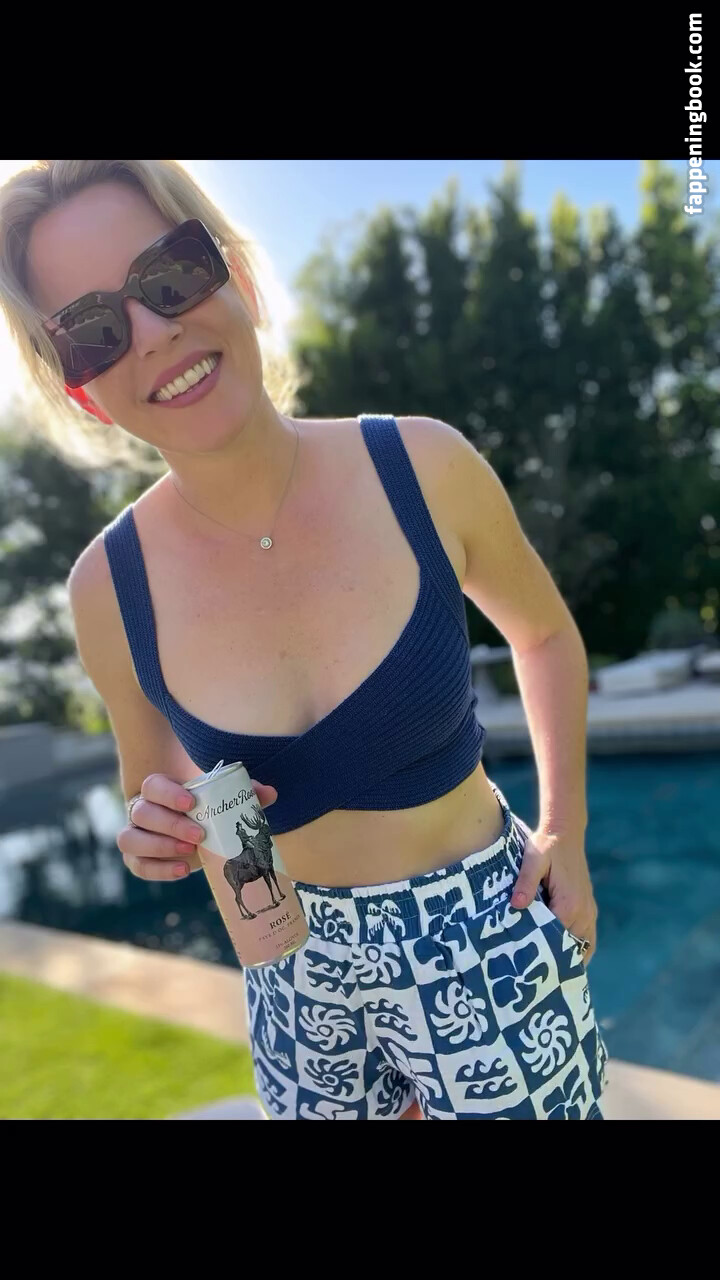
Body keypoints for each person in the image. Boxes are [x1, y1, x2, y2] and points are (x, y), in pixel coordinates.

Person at [0, 160, 608, 1120]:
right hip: (295, 983)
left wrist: (564, 830)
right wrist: (155, 833)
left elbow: (543, 636)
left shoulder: (423, 466)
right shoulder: (107, 591)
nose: (153, 332)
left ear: (235, 273)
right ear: (81, 390)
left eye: (170, 275)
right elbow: (157, 791)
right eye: (93, 330)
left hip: (486, 935)